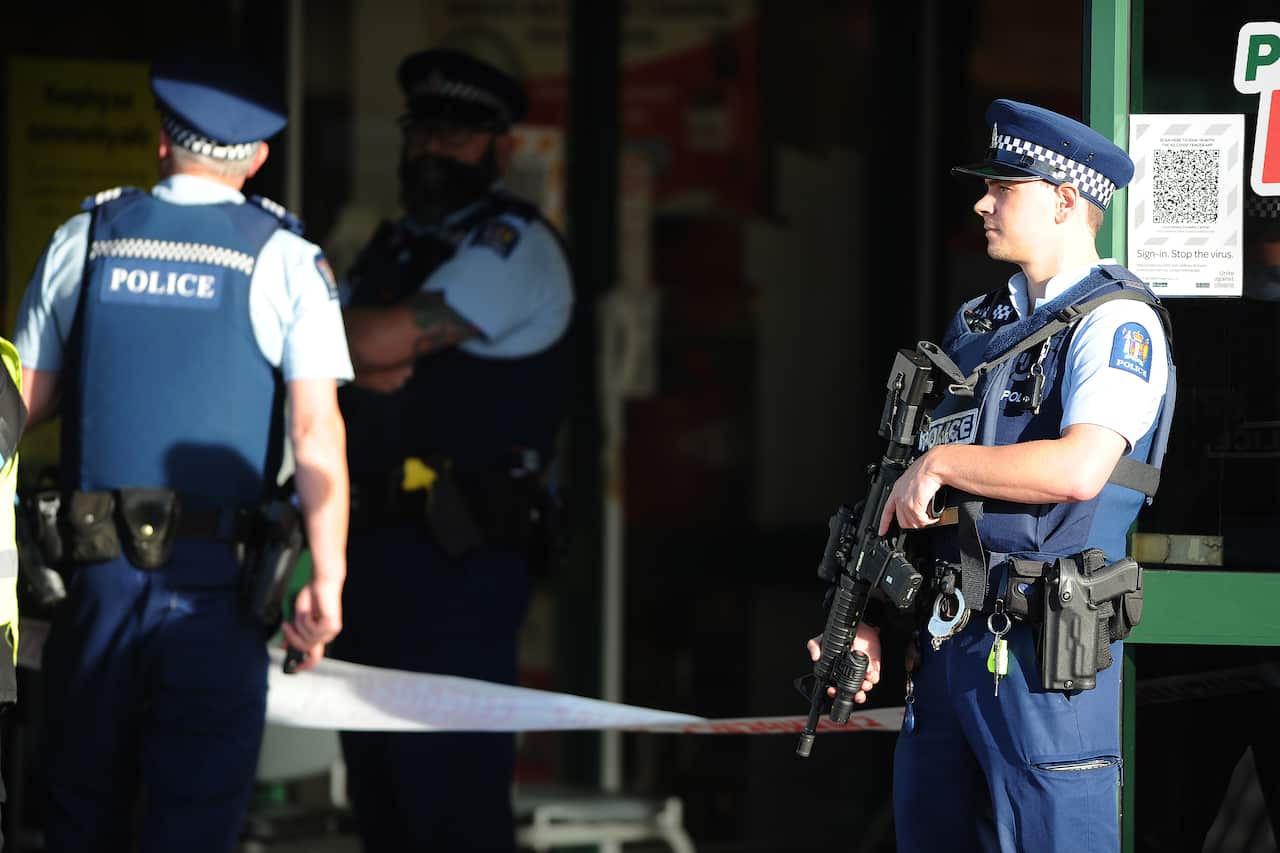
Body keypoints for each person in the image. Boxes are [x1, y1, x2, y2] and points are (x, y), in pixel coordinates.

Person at [809, 100, 1175, 852]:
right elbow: (907, 490)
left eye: (1005, 186)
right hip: (949, 648)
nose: (983, 201)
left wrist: (941, 462)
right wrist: (868, 613)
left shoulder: (1116, 321)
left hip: (1043, 654)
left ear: (1066, 200)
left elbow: (1079, 467)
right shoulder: (978, 327)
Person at [13, 47, 351, 853]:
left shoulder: (86, 236)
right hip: (215, 593)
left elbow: (18, 404)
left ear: (160, 142)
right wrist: (327, 577)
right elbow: (315, 431)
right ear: (259, 157)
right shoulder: (285, 259)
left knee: (79, 818)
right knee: (193, 823)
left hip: (95, 584)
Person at [329, 48, 574, 852]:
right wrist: (364, 352)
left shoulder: (512, 246)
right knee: (382, 806)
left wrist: (370, 349)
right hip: (369, 556)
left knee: (450, 808)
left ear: (501, 148)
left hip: (458, 563)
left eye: (459, 134)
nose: (436, 148)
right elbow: (356, 347)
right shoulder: (392, 243)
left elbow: (378, 336)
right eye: (424, 131)